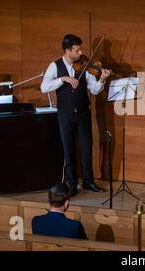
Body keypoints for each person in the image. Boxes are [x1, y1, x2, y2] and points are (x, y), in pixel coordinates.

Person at [41, 34, 111, 197]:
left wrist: (101, 79)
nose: (81, 53)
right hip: (65, 115)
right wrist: (63, 78)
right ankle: (71, 184)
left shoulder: (84, 65)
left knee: (87, 148)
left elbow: (93, 89)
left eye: (81, 49)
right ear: (67, 51)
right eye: (77, 50)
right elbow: (44, 87)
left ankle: (88, 181)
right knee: (69, 149)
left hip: (82, 113)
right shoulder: (55, 66)